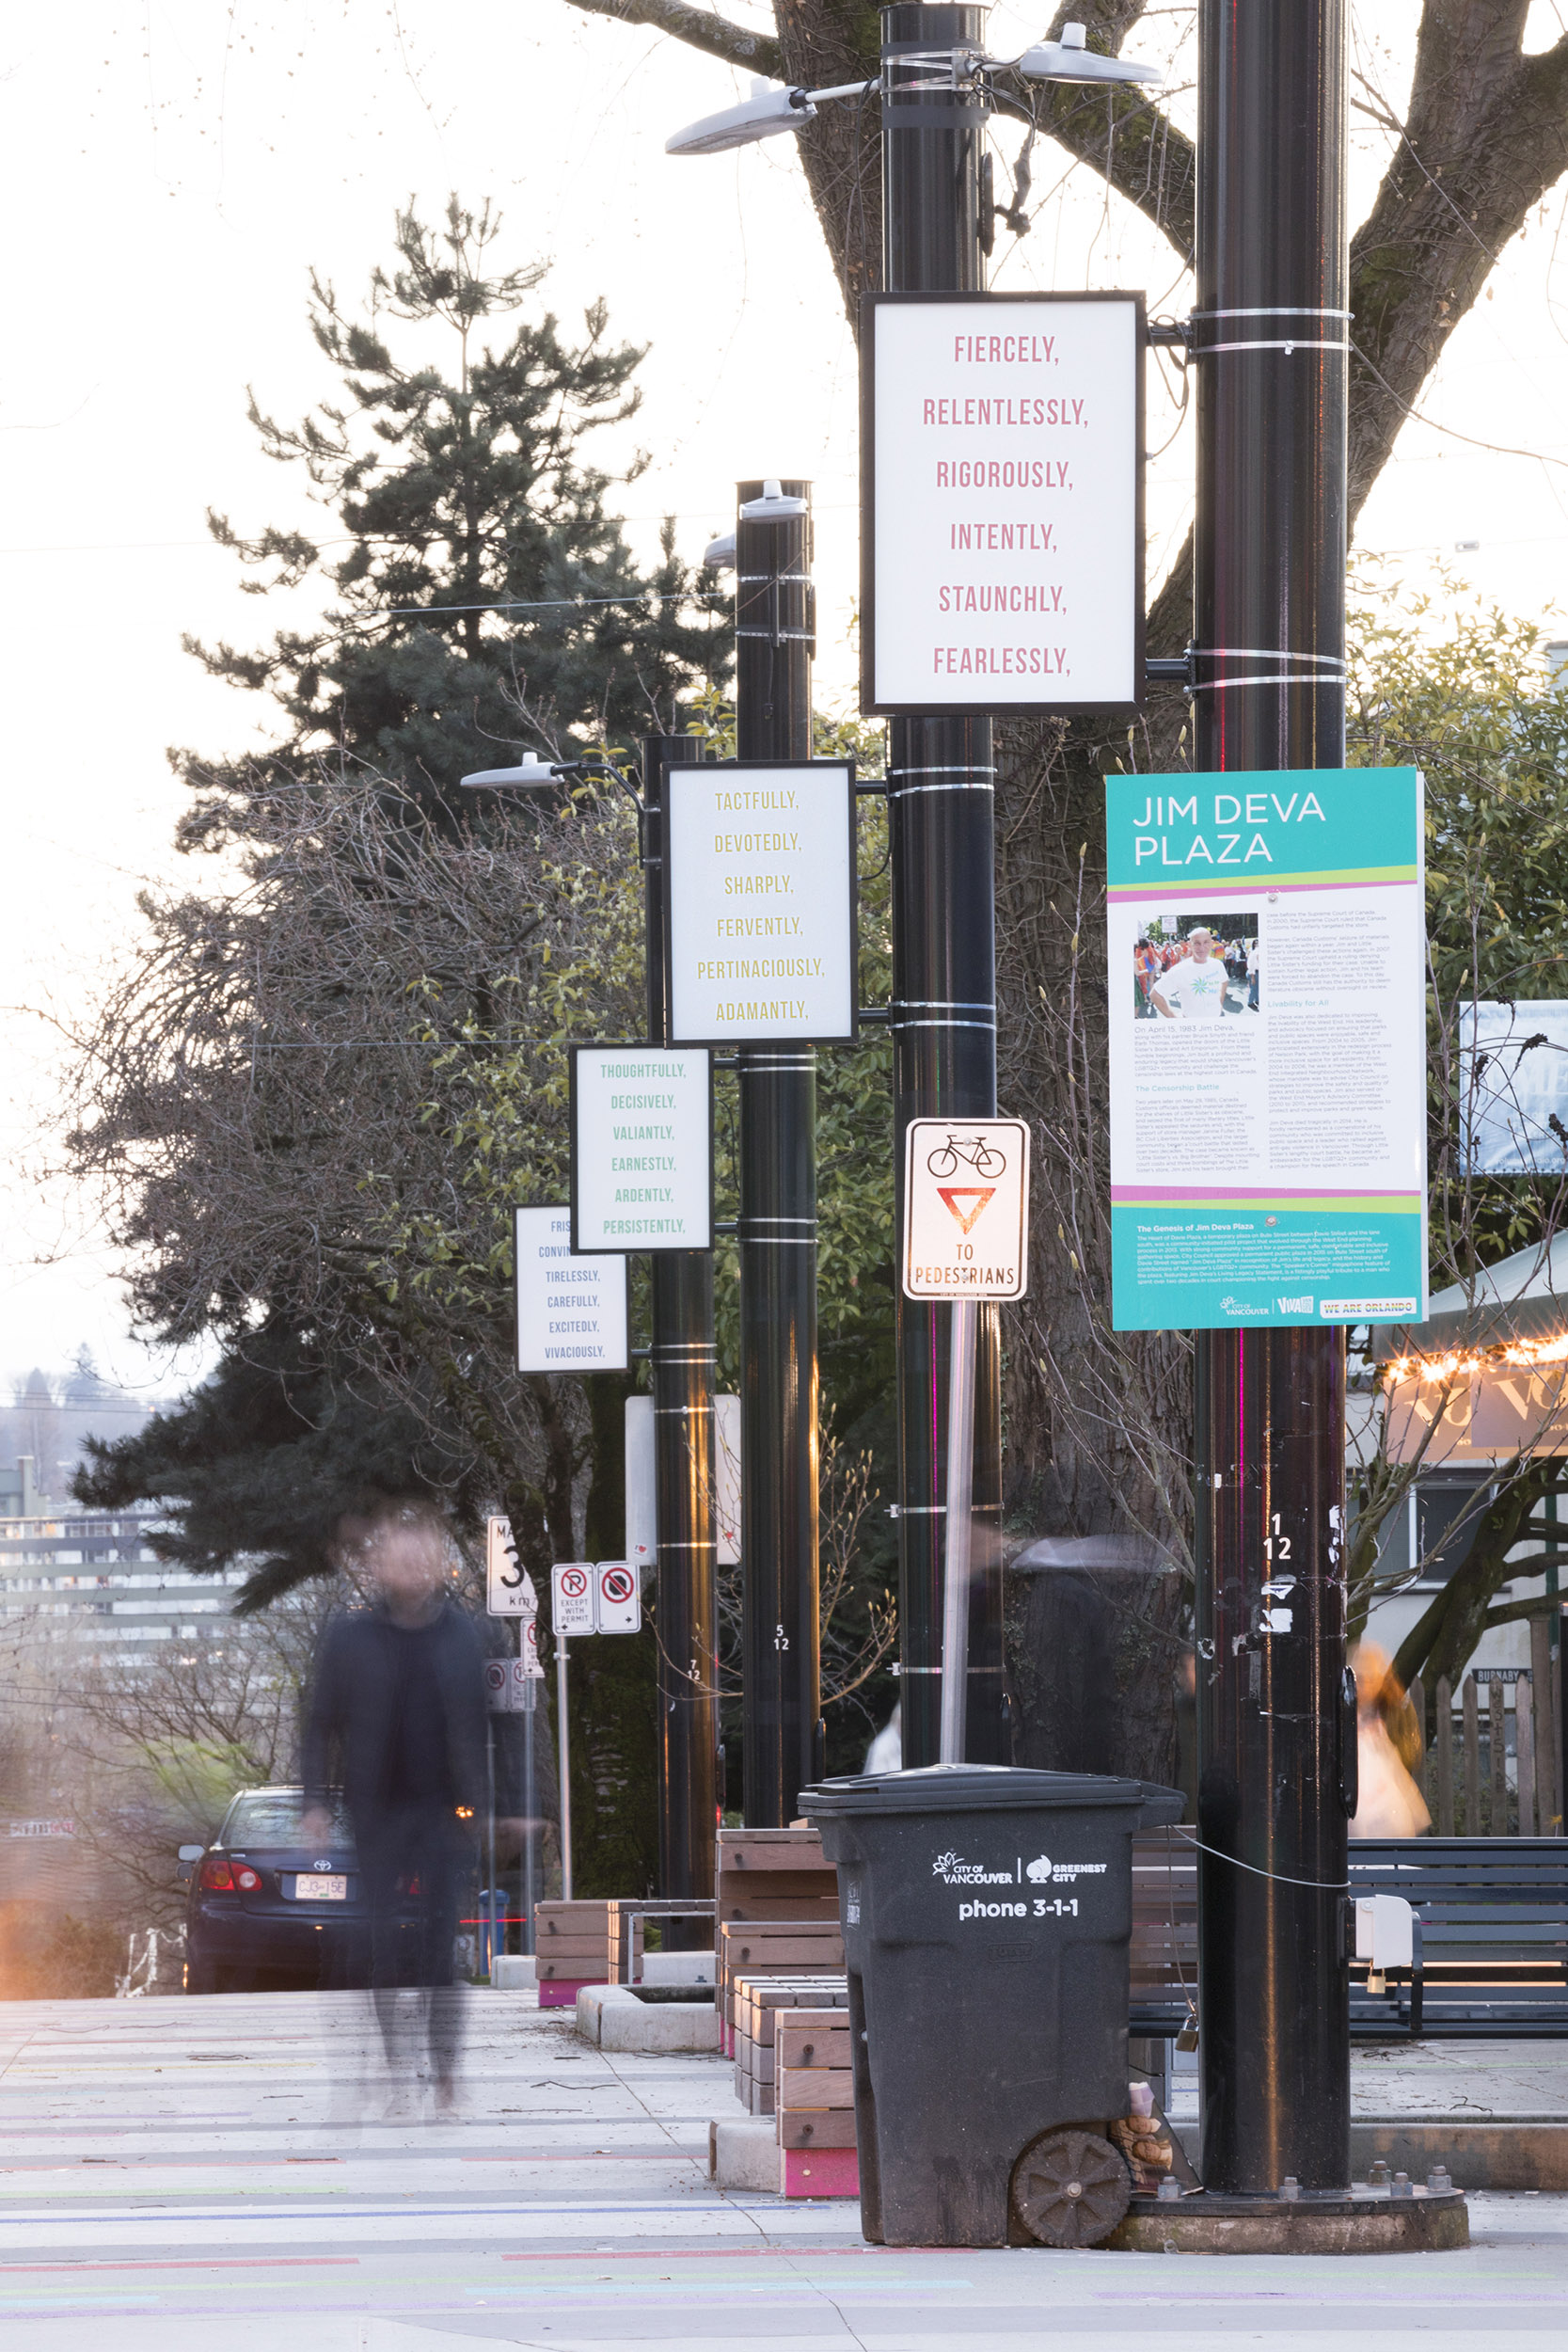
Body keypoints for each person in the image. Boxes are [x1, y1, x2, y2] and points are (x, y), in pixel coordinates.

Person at [301, 1497, 489, 2114]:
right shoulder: (349, 1636)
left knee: (440, 1952)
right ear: (379, 1566)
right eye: (398, 1556)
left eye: (422, 1555)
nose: (411, 1566)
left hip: (445, 1812)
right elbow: (318, 1724)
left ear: (439, 1564)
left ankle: (443, 2074)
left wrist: (510, 1801)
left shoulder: (468, 1634)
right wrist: (316, 1804)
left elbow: (502, 1723)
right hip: (376, 1814)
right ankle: (393, 2066)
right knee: (381, 1946)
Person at [1349, 1642, 1431, 1838]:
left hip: (1387, 1809)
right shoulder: (1339, 1711)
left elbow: (1408, 1754)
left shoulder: (1393, 1710)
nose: (1364, 1686)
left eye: (1370, 1679)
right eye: (1359, 1679)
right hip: (1354, 1816)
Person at [1149, 927, 1230, 1019]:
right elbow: (1155, 994)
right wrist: (1174, 1018)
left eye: (1206, 942)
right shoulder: (1180, 969)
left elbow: (1224, 981)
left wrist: (1220, 1004)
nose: (1202, 947)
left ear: (1211, 944)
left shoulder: (1218, 965)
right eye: (1197, 943)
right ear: (1190, 945)